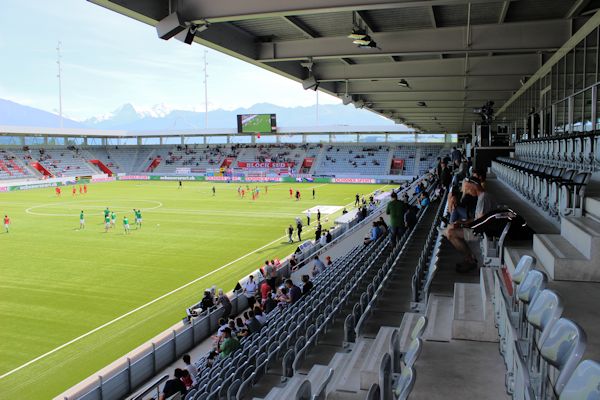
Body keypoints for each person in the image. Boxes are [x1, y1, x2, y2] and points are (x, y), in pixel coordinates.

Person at [444, 177, 497, 273]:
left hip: (481, 232)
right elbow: (478, 219)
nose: (467, 192)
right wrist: (463, 223)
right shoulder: (483, 196)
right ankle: (469, 258)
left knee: (450, 233)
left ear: (474, 186)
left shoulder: (483, 198)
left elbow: (481, 223)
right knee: (450, 228)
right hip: (481, 228)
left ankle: (470, 260)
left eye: (468, 189)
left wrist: (463, 225)